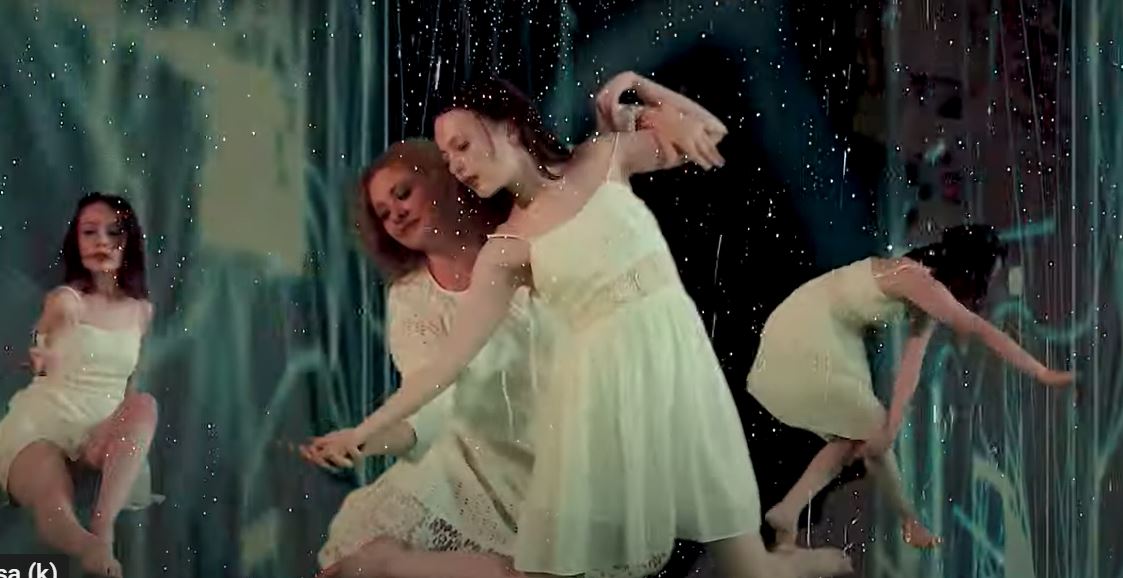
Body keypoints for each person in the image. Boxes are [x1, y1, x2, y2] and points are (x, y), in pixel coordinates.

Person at [309, 72, 852, 578]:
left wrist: (638, 88)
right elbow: (445, 365)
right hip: (599, 401)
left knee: (748, 568)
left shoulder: (601, 158)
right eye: (447, 157)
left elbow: (709, 132)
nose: (456, 165)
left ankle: (826, 565)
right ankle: (389, 564)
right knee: (552, 571)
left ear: (507, 126)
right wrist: (362, 432)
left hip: (680, 371)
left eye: (462, 146)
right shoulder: (505, 250)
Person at [746, 224, 1074, 549]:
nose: (985, 286)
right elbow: (977, 328)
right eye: (986, 276)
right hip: (811, 327)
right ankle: (906, 521)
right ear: (970, 268)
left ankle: (790, 511)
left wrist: (894, 421)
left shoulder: (924, 292)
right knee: (867, 428)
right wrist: (1041, 372)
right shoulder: (916, 279)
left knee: (861, 433)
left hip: (832, 333)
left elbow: (911, 364)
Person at [0, 193, 161, 577]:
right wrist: (42, 352)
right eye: (90, 232)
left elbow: (130, 381)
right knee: (49, 490)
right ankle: (86, 547)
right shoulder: (65, 300)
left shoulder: (142, 311)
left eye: (113, 232)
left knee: (145, 404)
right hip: (45, 422)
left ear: (129, 241)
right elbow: (43, 341)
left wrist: (123, 433)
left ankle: (103, 530)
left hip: (98, 429)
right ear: (77, 242)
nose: (101, 241)